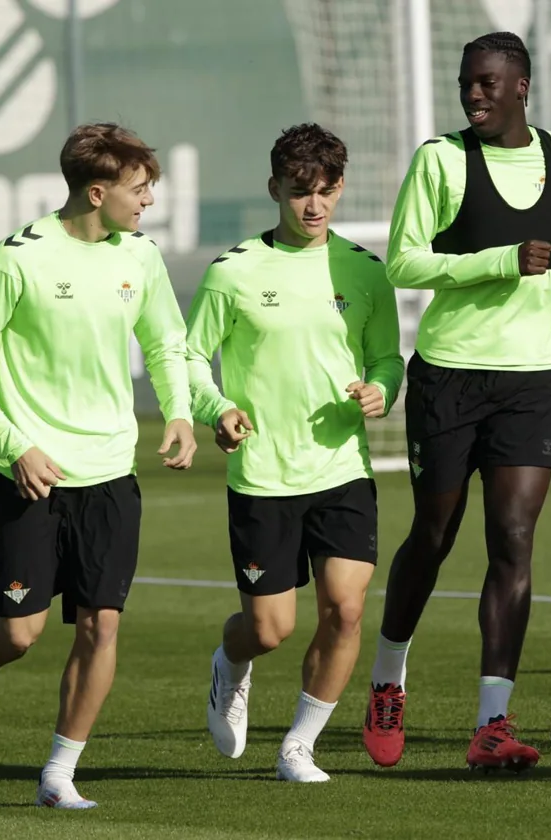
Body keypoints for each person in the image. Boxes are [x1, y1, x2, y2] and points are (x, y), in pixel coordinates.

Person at [361, 32, 551, 772]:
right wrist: (501, 261)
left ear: (522, 86)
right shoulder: (439, 160)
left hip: (533, 377)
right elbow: (404, 260)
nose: (473, 94)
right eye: (466, 82)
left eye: (487, 83)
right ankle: (387, 679)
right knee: (434, 534)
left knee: (513, 538)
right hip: (450, 375)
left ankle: (492, 724)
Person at [0, 122, 197, 809]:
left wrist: (177, 412)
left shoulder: (140, 256)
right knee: (19, 635)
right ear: (97, 191)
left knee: (101, 624)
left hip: (111, 472)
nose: (148, 204)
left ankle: (58, 772)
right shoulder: (18, 259)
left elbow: (167, 343)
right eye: (139, 191)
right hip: (30, 475)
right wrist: (13, 444)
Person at [186, 123, 404, 783]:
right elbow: (190, 358)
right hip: (263, 477)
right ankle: (231, 663)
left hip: (342, 469)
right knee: (270, 628)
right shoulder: (234, 271)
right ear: (274, 188)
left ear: (340, 188)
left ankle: (298, 747)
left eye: (326, 191)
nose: (314, 205)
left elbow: (390, 356)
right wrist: (215, 409)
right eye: (300, 191)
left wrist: (381, 390)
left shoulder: (363, 271)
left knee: (347, 608)